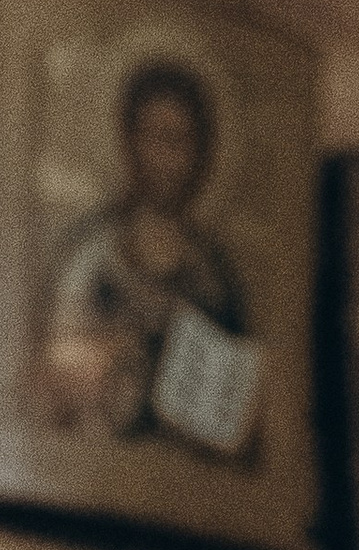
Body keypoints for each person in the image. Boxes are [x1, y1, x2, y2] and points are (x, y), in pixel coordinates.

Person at [35, 53, 249, 447]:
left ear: (202, 153)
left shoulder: (214, 280)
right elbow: (54, 372)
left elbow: (227, 419)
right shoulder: (88, 255)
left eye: (180, 140)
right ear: (130, 142)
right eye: (155, 137)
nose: (167, 158)